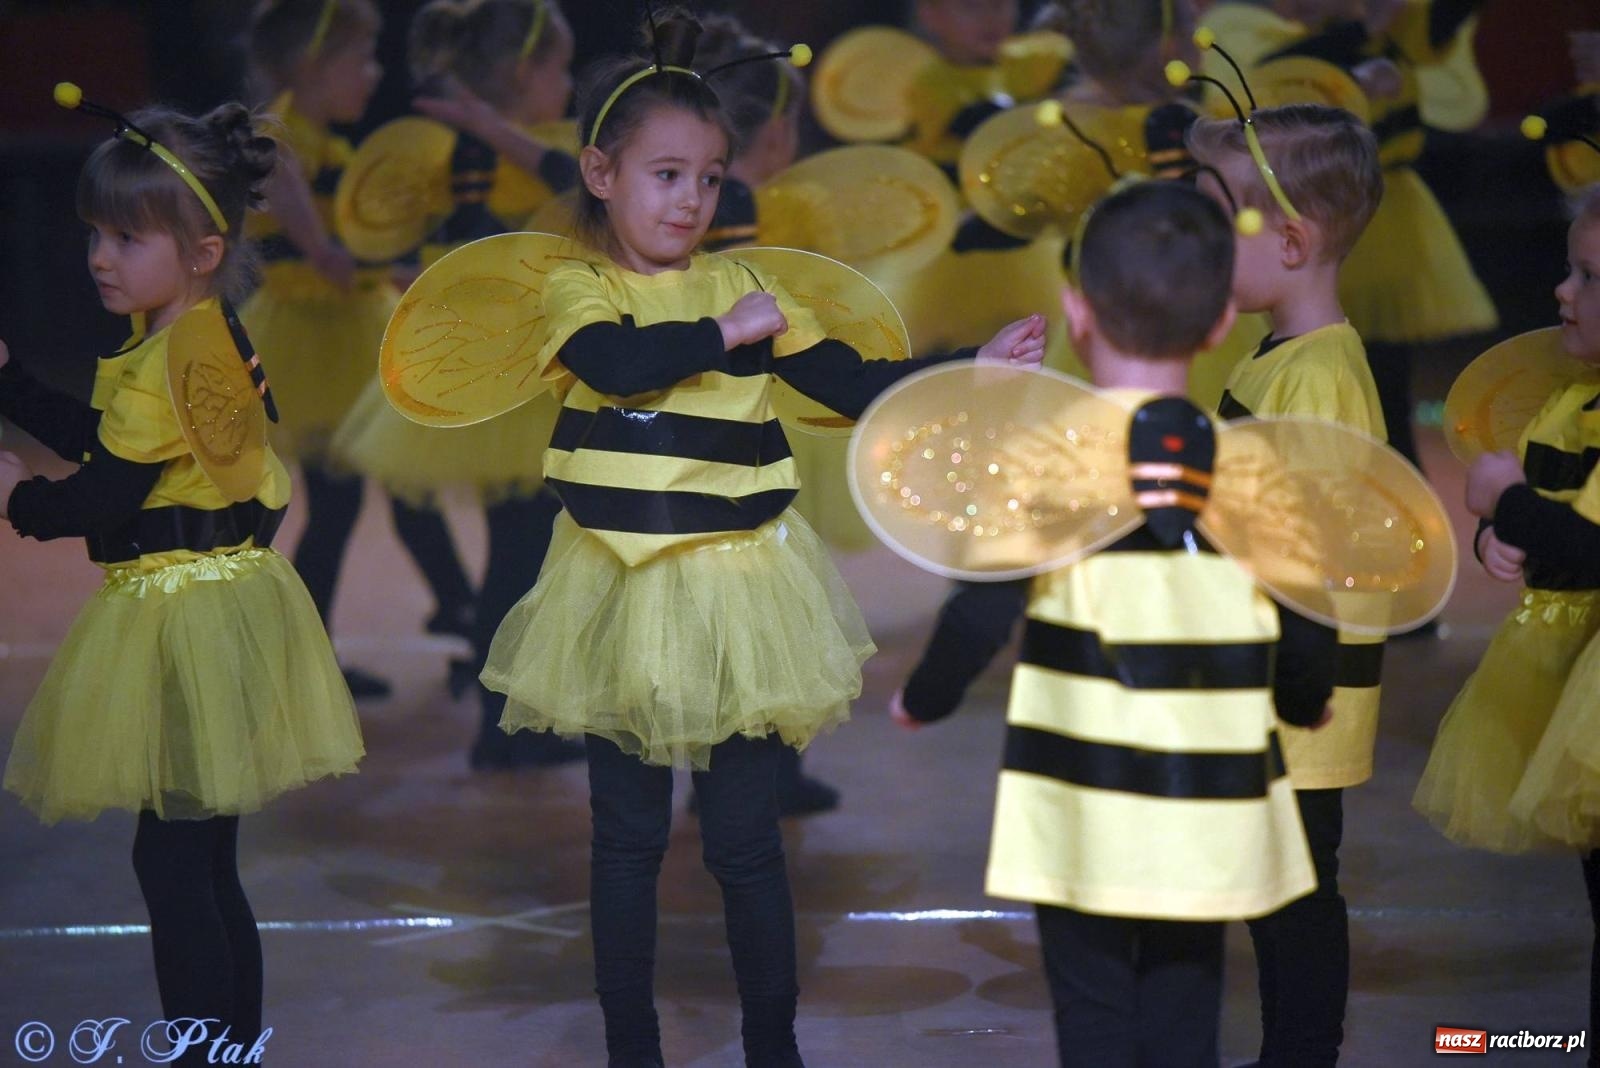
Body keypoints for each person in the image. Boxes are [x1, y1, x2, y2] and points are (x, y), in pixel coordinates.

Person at [477, 12, 1045, 1065]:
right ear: (600, 173)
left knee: (744, 844)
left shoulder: (747, 291)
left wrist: (974, 371)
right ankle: (632, 1046)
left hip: (744, 591)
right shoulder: (577, 286)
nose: (689, 200)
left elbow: (849, 382)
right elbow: (611, 363)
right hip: (618, 590)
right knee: (628, 840)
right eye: (664, 175)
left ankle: (772, 1046)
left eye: (706, 177)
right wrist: (719, 336)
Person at [890, 180, 1337, 1067]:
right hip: (1209, 788)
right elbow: (1305, 612)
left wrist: (926, 698)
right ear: (1217, 327)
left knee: (1091, 1010)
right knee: (1187, 998)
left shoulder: (1046, 463)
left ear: (1077, 311)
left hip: (1080, 792)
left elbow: (982, 606)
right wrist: (1304, 697)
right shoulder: (1254, 470)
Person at [0, 92, 362, 1067]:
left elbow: (104, 496)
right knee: (203, 860)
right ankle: (231, 1046)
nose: (99, 257)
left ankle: (207, 1052)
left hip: (182, 618)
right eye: (94, 235)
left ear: (201, 251)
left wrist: (16, 498)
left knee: (172, 866)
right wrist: (14, 385)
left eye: (126, 237)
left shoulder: (170, 361)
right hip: (224, 607)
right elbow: (109, 439)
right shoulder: (202, 337)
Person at [330, 0, 586, 768]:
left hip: (511, 370)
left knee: (523, 550)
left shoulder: (489, 146)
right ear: (521, 73)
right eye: (560, 70)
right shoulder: (507, 149)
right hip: (514, 379)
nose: (568, 87)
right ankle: (504, 723)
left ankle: (506, 715)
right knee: (520, 551)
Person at [1188, 101, 1385, 1068]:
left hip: (1300, 695)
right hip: (1266, 683)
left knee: (1299, 893)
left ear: (1294, 241)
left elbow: (1300, 555)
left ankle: (1301, 1055)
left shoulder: (1320, 379)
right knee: (1274, 886)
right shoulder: (1277, 359)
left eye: (1214, 216)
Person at [1415, 184, 1600, 1050]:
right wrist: (1504, 536)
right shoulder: (1576, 399)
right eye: (1570, 269)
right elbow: (1571, 522)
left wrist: (1515, 508)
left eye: (1589, 277)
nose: (1563, 291)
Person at [243, 0, 466, 698]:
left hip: (345, 331)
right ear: (314, 64)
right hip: (313, 341)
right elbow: (310, 231)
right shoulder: (280, 137)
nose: (373, 74)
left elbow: (349, 255)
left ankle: (455, 608)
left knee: (391, 490)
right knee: (347, 503)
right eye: (360, 58)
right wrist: (337, 252)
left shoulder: (324, 143)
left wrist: (389, 265)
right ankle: (307, 661)